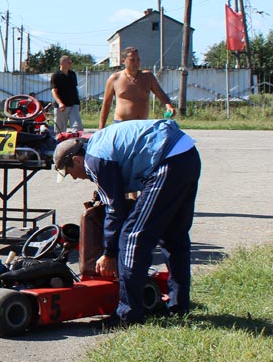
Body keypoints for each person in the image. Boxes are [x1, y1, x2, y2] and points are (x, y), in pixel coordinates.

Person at [53, 119, 200, 325]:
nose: (75, 178)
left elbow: (115, 210)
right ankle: (178, 306)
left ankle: (128, 315)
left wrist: (109, 253)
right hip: (187, 154)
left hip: (166, 160)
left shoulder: (94, 160)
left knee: (132, 237)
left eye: (70, 173)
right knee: (174, 236)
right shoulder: (97, 146)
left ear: (77, 160)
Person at [98, 47, 175, 129]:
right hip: (121, 124)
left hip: (142, 125)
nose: (136, 63)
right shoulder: (115, 78)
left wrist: (169, 106)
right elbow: (106, 105)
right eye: (132, 60)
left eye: (138, 59)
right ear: (123, 61)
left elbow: (161, 95)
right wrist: (101, 128)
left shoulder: (148, 77)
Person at [49, 55, 83, 133]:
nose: (70, 64)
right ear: (62, 63)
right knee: (60, 129)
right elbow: (54, 91)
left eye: (70, 62)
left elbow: (74, 88)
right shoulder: (56, 75)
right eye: (68, 62)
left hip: (74, 104)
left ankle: (78, 138)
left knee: (77, 125)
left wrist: (78, 102)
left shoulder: (72, 74)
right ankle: (59, 139)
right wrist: (60, 103)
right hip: (62, 106)